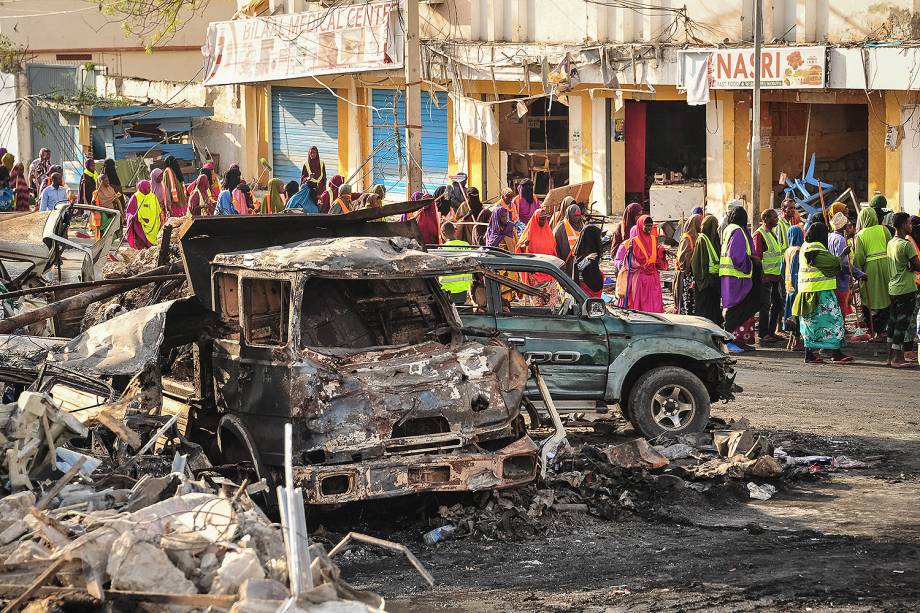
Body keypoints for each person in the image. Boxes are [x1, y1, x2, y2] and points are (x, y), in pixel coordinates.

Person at [793, 222, 851, 364]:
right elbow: (833, 264)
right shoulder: (816, 249)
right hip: (820, 294)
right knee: (834, 322)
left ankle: (810, 355)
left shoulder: (806, 246)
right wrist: (843, 254)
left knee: (810, 325)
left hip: (807, 293)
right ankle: (835, 353)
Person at [720, 205, 760, 351]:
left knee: (738, 307)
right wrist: (751, 261)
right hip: (738, 277)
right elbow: (736, 256)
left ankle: (737, 339)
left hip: (731, 276)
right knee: (737, 308)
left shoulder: (729, 229)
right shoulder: (737, 231)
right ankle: (730, 340)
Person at [885, 212, 920, 368]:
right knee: (902, 324)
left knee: (893, 323)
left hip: (893, 288)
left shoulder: (891, 243)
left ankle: (890, 357)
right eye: (908, 223)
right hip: (906, 288)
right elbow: (918, 265)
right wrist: (912, 265)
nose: (910, 226)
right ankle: (898, 359)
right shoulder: (906, 245)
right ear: (902, 225)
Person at [613, 215, 667, 312]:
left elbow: (658, 261)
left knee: (654, 304)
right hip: (639, 281)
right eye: (646, 226)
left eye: (651, 226)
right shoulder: (632, 243)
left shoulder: (654, 240)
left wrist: (661, 253)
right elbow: (625, 263)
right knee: (641, 306)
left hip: (653, 279)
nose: (649, 229)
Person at [853, 207, 892, 338]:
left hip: (870, 268)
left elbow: (859, 256)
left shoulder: (861, 235)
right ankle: (884, 329)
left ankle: (874, 330)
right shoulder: (884, 229)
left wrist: (857, 270)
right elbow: (891, 247)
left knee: (869, 297)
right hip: (886, 265)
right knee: (887, 296)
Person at [753, 208, 785, 343]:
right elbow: (757, 257)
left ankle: (771, 331)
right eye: (774, 217)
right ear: (766, 219)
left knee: (777, 304)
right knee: (765, 305)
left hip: (775, 276)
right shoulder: (760, 234)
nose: (777, 219)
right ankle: (763, 333)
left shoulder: (771, 233)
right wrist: (762, 275)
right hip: (766, 276)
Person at [516, 207, 559, 307]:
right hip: (535, 273)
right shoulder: (529, 232)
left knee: (551, 302)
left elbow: (553, 250)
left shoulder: (549, 233)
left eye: (544, 219)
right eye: (541, 219)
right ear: (536, 218)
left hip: (549, 272)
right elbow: (519, 248)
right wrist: (524, 245)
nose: (543, 221)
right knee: (537, 303)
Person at [828, 211, 864, 329]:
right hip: (840, 281)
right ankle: (839, 333)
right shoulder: (840, 240)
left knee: (833, 310)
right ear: (843, 226)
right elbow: (844, 265)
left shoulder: (829, 237)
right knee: (840, 310)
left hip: (830, 281)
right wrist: (859, 274)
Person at [691, 214, 723, 326]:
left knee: (714, 311)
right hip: (706, 283)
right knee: (705, 312)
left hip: (714, 282)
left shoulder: (714, 240)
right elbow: (697, 264)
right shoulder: (702, 240)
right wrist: (704, 281)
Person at [782, 225, 805, 351]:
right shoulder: (798, 250)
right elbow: (797, 271)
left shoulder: (787, 250)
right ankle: (796, 342)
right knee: (797, 315)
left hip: (788, 287)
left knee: (790, 315)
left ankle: (790, 342)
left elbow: (782, 270)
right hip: (796, 287)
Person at [438, 222, 473, 305]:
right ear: (455, 231)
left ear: (443, 233)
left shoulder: (441, 249)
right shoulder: (466, 246)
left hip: (448, 293)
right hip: (466, 291)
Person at [674, 213, 701, 315]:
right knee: (686, 301)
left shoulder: (695, 237)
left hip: (690, 275)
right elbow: (682, 259)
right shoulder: (687, 238)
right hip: (685, 275)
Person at [125, 180, 162, 250]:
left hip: (153, 225)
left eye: (149, 187)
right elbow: (129, 212)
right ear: (142, 188)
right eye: (147, 188)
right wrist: (132, 217)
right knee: (141, 244)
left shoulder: (153, 196)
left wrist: (160, 220)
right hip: (140, 225)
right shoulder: (135, 197)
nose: (149, 189)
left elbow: (158, 210)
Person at [573, 224, 605, 299]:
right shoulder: (586, 254)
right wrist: (586, 260)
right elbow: (577, 268)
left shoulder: (593, 250)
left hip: (593, 288)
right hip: (586, 290)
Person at [553, 203, 584, 275]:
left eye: (578, 216)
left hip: (578, 260)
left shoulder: (581, 225)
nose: (577, 218)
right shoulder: (560, 228)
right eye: (575, 216)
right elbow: (555, 247)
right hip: (565, 260)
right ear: (569, 215)